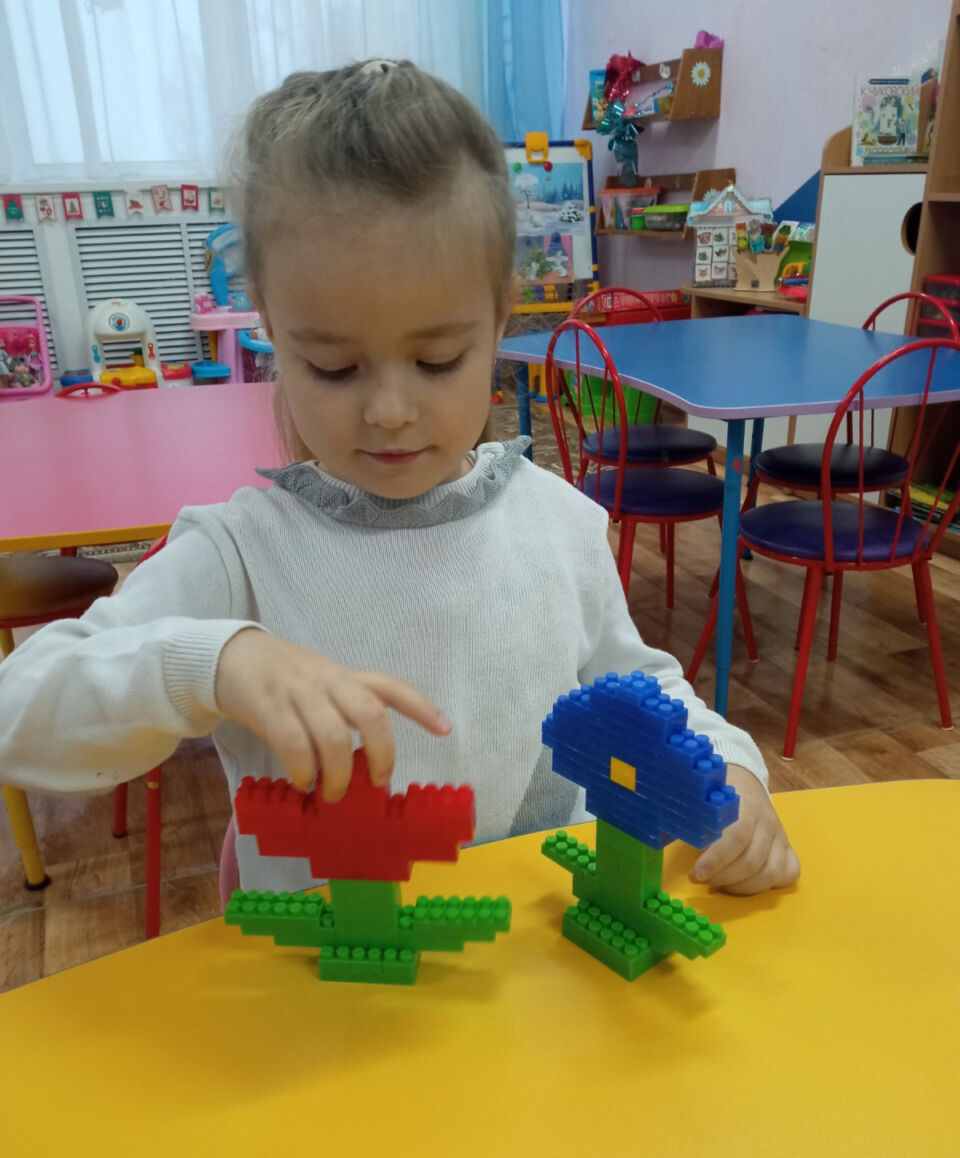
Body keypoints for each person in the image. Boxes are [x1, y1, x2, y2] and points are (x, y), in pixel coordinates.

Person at [0, 61, 799, 896]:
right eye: (334, 367)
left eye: (437, 359)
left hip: (534, 958)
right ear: (272, 327)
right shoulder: (240, 553)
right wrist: (211, 664)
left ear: (501, 319)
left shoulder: (560, 526)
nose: (388, 411)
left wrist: (731, 771)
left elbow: (643, 691)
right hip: (330, 971)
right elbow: (20, 707)